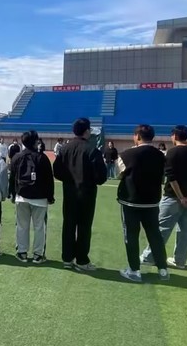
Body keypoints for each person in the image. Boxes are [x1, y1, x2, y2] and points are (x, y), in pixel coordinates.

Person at [140, 125, 187, 269]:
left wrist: (180, 196)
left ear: (175, 136)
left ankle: (149, 256)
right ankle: (180, 260)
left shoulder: (172, 152)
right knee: (185, 231)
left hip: (172, 197)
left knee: (162, 228)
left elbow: (171, 178)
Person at [52, 118, 107, 272]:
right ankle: (82, 260)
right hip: (87, 193)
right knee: (84, 227)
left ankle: (67, 258)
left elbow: (57, 171)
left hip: (69, 193)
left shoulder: (64, 149)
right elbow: (101, 177)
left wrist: (68, 180)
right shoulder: (92, 150)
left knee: (68, 225)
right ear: (87, 131)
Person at [116, 124, 169, 282]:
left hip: (131, 202)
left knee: (131, 236)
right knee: (155, 235)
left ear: (137, 136)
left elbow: (120, 175)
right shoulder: (161, 156)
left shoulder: (126, 154)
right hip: (152, 202)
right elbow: (163, 177)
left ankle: (134, 270)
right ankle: (163, 269)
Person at [10, 130, 55, 264]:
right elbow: (49, 180)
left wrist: (12, 194)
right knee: (39, 227)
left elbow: (12, 178)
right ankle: (38, 254)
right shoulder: (42, 158)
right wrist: (50, 197)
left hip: (21, 197)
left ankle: (22, 252)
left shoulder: (17, 157)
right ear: (36, 141)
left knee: (22, 226)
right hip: (40, 199)